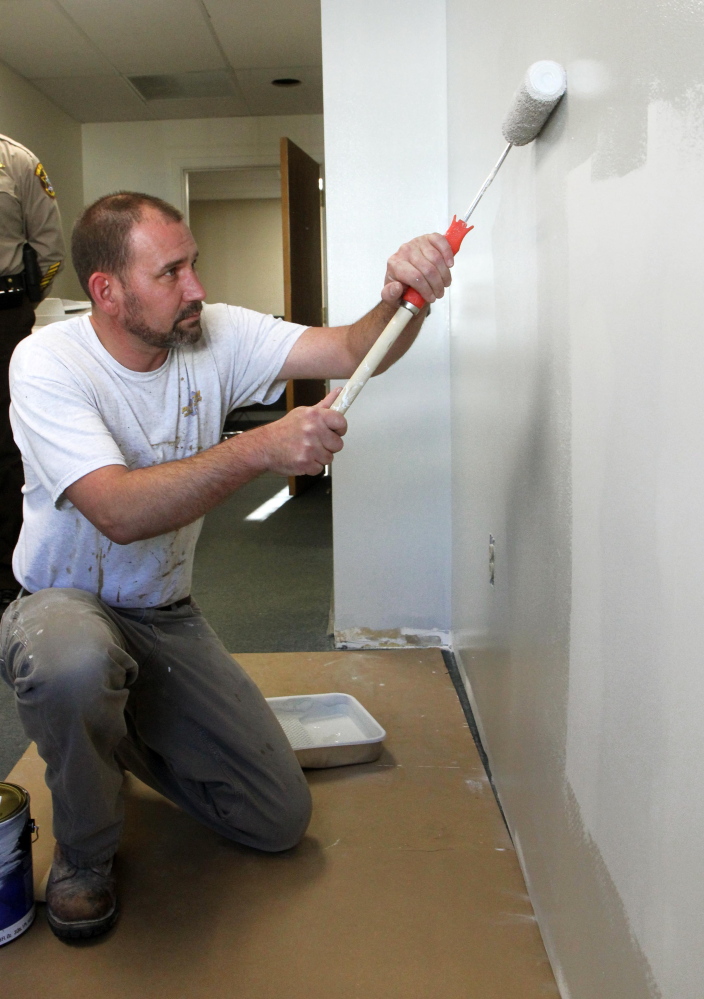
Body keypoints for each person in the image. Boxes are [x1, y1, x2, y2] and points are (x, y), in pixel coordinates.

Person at [0, 191, 454, 941]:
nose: (197, 289)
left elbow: (349, 349)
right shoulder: (47, 362)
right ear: (106, 292)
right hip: (61, 604)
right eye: (171, 272)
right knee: (74, 661)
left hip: (163, 615)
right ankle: (84, 852)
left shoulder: (215, 333)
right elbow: (115, 509)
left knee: (277, 816)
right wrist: (262, 447)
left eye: (195, 265)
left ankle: (115, 727)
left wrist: (402, 300)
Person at [0, 134, 65, 608]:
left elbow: (49, 249)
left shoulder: (15, 160)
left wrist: (21, 304)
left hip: (2, 314)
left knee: (6, 445)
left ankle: (9, 573)